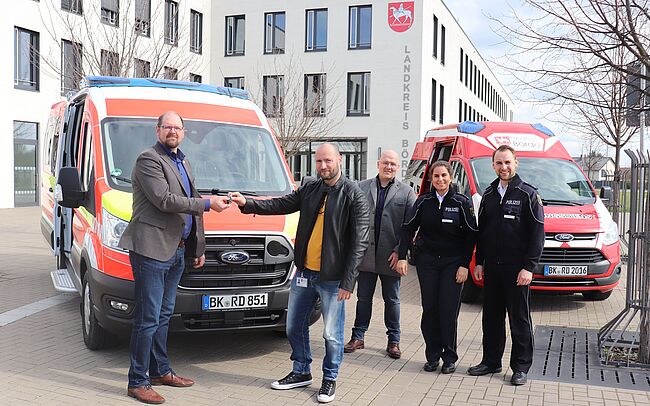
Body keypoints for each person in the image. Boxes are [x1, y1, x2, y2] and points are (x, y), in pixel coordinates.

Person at [230, 143, 369, 404]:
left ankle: (330, 377)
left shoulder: (354, 195)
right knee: (293, 326)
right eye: (319, 162)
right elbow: (281, 204)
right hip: (305, 272)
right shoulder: (310, 188)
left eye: (328, 161)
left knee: (332, 333)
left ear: (339, 160)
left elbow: (359, 243)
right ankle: (301, 371)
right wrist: (247, 203)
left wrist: (348, 282)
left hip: (333, 278)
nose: (323, 166)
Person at [119, 111, 231, 404]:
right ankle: (137, 381)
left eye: (177, 127)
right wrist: (208, 203)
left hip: (178, 250)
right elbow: (165, 200)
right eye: (167, 126)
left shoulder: (183, 160)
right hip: (152, 250)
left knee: (164, 315)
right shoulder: (148, 160)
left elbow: (190, 209)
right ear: (157, 131)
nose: (172, 131)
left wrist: (197, 248)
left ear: (183, 132)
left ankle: (160, 371)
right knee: (148, 318)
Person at [467, 145, 544, 386]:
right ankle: (491, 361)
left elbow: (537, 235)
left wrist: (529, 267)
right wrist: (479, 262)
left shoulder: (528, 195)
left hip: (517, 270)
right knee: (491, 317)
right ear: (493, 165)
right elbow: (482, 233)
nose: (504, 167)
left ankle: (520, 366)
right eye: (499, 163)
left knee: (519, 319)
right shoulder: (488, 195)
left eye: (508, 162)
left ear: (516, 163)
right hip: (493, 269)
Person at [396, 160, 477, 374]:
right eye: (436, 176)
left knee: (448, 311)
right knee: (430, 309)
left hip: (453, 264)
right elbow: (408, 228)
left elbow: (471, 235)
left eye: (444, 175)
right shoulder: (424, 202)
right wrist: (402, 256)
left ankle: (449, 357)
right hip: (428, 263)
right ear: (431, 179)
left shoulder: (461, 202)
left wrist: (464, 265)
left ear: (450, 178)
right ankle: (432, 356)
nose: (440, 179)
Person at [344, 150, 416, 359]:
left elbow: (409, 227)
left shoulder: (406, 192)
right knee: (363, 298)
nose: (389, 167)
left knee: (392, 300)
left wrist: (399, 251)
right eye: (385, 163)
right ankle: (358, 337)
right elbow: (352, 219)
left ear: (397, 167)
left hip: (390, 257)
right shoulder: (361, 187)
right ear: (378, 164)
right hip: (366, 255)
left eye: (393, 164)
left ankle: (394, 341)